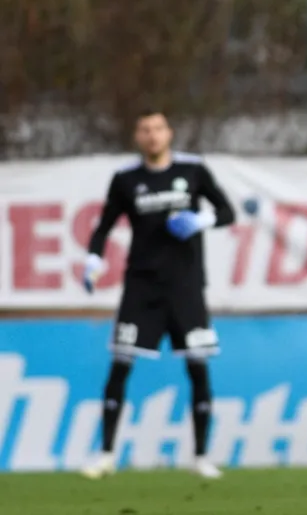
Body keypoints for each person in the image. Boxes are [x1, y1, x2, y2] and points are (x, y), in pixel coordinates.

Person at [80, 110, 236, 480]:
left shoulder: (194, 171)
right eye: (145, 129)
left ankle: (200, 457)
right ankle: (106, 455)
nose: (152, 135)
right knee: (120, 365)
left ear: (170, 133)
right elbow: (103, 227)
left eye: (158, 129)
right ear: (137, 136)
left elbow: (227, 211)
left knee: (197, 365)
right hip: (142, 286)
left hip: (185, 286)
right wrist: (92, 259)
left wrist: (202, 220)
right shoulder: (125, 179)